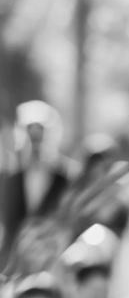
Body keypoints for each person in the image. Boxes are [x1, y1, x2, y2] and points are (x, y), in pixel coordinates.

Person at [0, 102, 76, 273]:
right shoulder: (10, 181)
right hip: (15, 265)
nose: (35, 143)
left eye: (39, 136)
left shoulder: (64, 179)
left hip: (52, 262)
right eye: (30, 136)